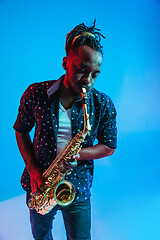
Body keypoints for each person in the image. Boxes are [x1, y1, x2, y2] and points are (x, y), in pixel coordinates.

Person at [13, 20, 117, 240]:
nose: (88, 81)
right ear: (65, 63)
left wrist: (77, 154)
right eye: (81, 70)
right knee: (41, 236)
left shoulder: (103, 104)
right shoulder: (36, 93)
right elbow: (21, 130)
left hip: (76, 187)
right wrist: (32, 169)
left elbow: (109, 146)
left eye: (95, 74)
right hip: (40, 182)